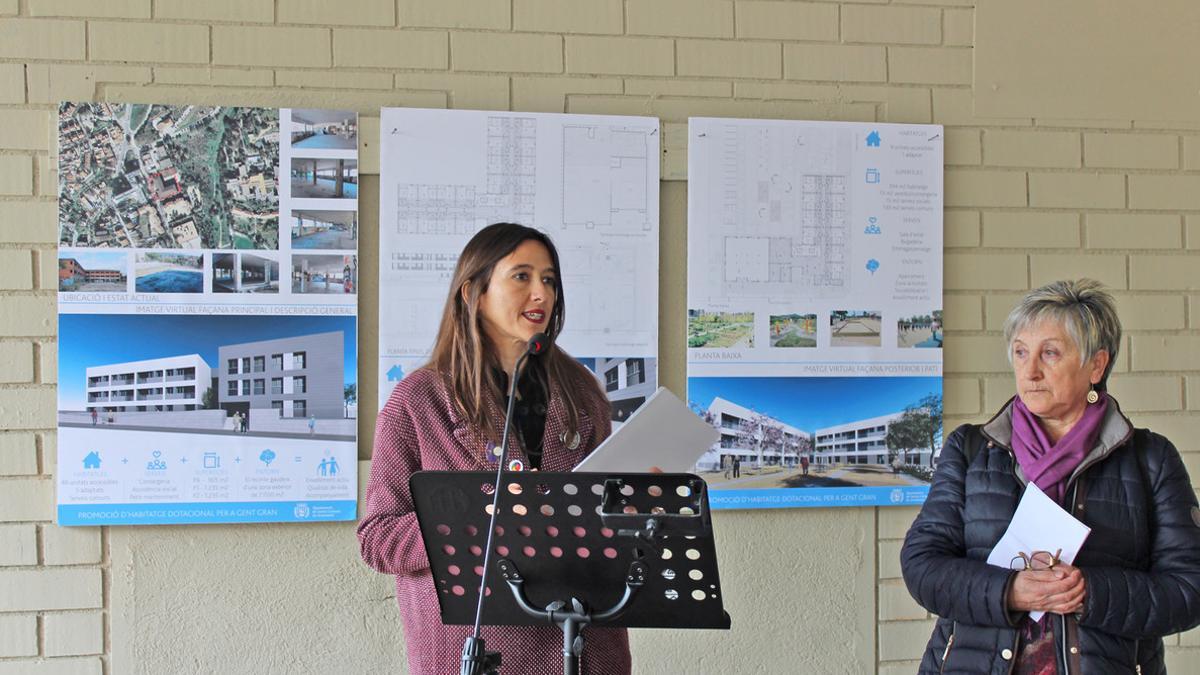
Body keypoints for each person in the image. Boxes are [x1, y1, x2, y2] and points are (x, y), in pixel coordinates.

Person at [358, 223, 632, 674]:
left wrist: (639, 505)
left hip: (584, 648)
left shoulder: (583, 392)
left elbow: (603, 512)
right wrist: (471, 527)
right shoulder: (418, 401)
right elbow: (378, 539)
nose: (541, 293)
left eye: (549, 279)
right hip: (477, 652)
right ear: (473, 293)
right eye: (521, 276)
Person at [901, 279, 1200, 674]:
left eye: (1051, 353)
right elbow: (923, 565)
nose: (1031, 371)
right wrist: (1008, 591)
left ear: (1096, 364)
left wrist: (1089, 593)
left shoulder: (1150, 459)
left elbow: (1189, 588)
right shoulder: (971, 450)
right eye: (1021, 352)